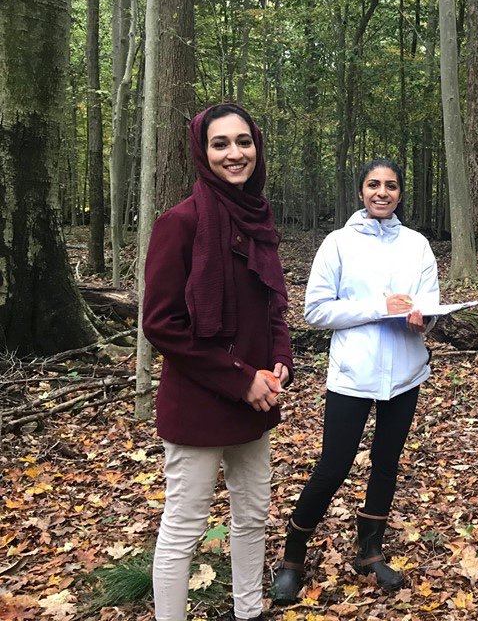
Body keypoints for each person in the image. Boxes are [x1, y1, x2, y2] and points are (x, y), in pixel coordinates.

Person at [142, 103, 293, 621]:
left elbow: (273, 304)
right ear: (202, 153)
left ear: (258, 147)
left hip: (255, 396)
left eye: (244, 141)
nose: (235, 153)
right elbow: (161, 323)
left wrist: (278, 360)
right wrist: (240, 379)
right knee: (184, 526)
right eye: (221, 143)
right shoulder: (179, 223)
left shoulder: (258, 217)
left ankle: (247, 612)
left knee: (252, 515)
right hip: (199, 402)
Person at [271, 158, 439, 604]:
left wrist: (423, 322)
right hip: (352, 375)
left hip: (405, 374)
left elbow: (429, 305)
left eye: (390, 186)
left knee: (386, 463)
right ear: (361, 191)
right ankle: (292, 555)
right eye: (373, 185)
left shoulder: (417, 245)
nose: (382, 193)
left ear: (400, 193)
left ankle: (369, 550)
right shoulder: (338, 243)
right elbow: (316, 310)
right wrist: (377, 308)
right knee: (334, 466)